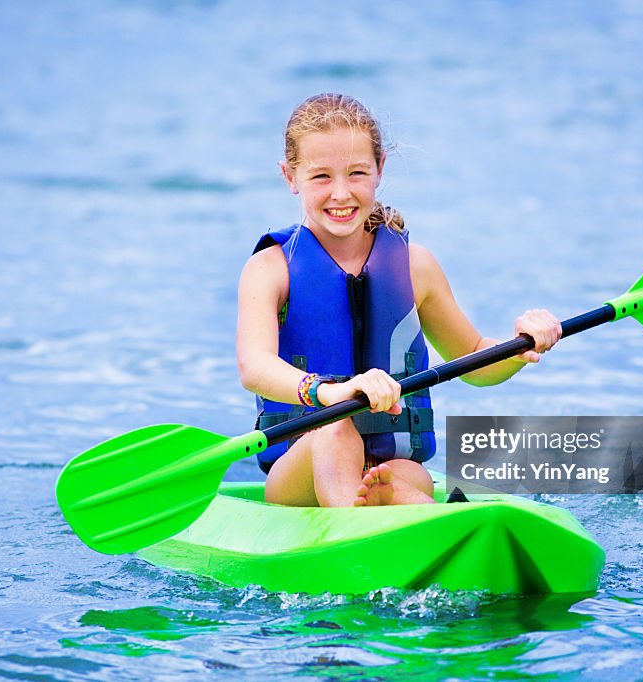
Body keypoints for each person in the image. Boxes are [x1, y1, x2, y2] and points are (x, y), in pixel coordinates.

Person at [237, 93, 561, 508]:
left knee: (410, 474)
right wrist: (326, 393)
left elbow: (476, 361)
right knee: (334, 434)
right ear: (290, 176)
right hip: (299, 473)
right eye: (321, 177)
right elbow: (254, 366)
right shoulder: (271, 268)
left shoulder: (415, 266)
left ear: (380, 169)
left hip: (388, 461)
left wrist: (520, 347)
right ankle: (382, 527)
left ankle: (409, 514)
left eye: (356, 173)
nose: (341, 193)